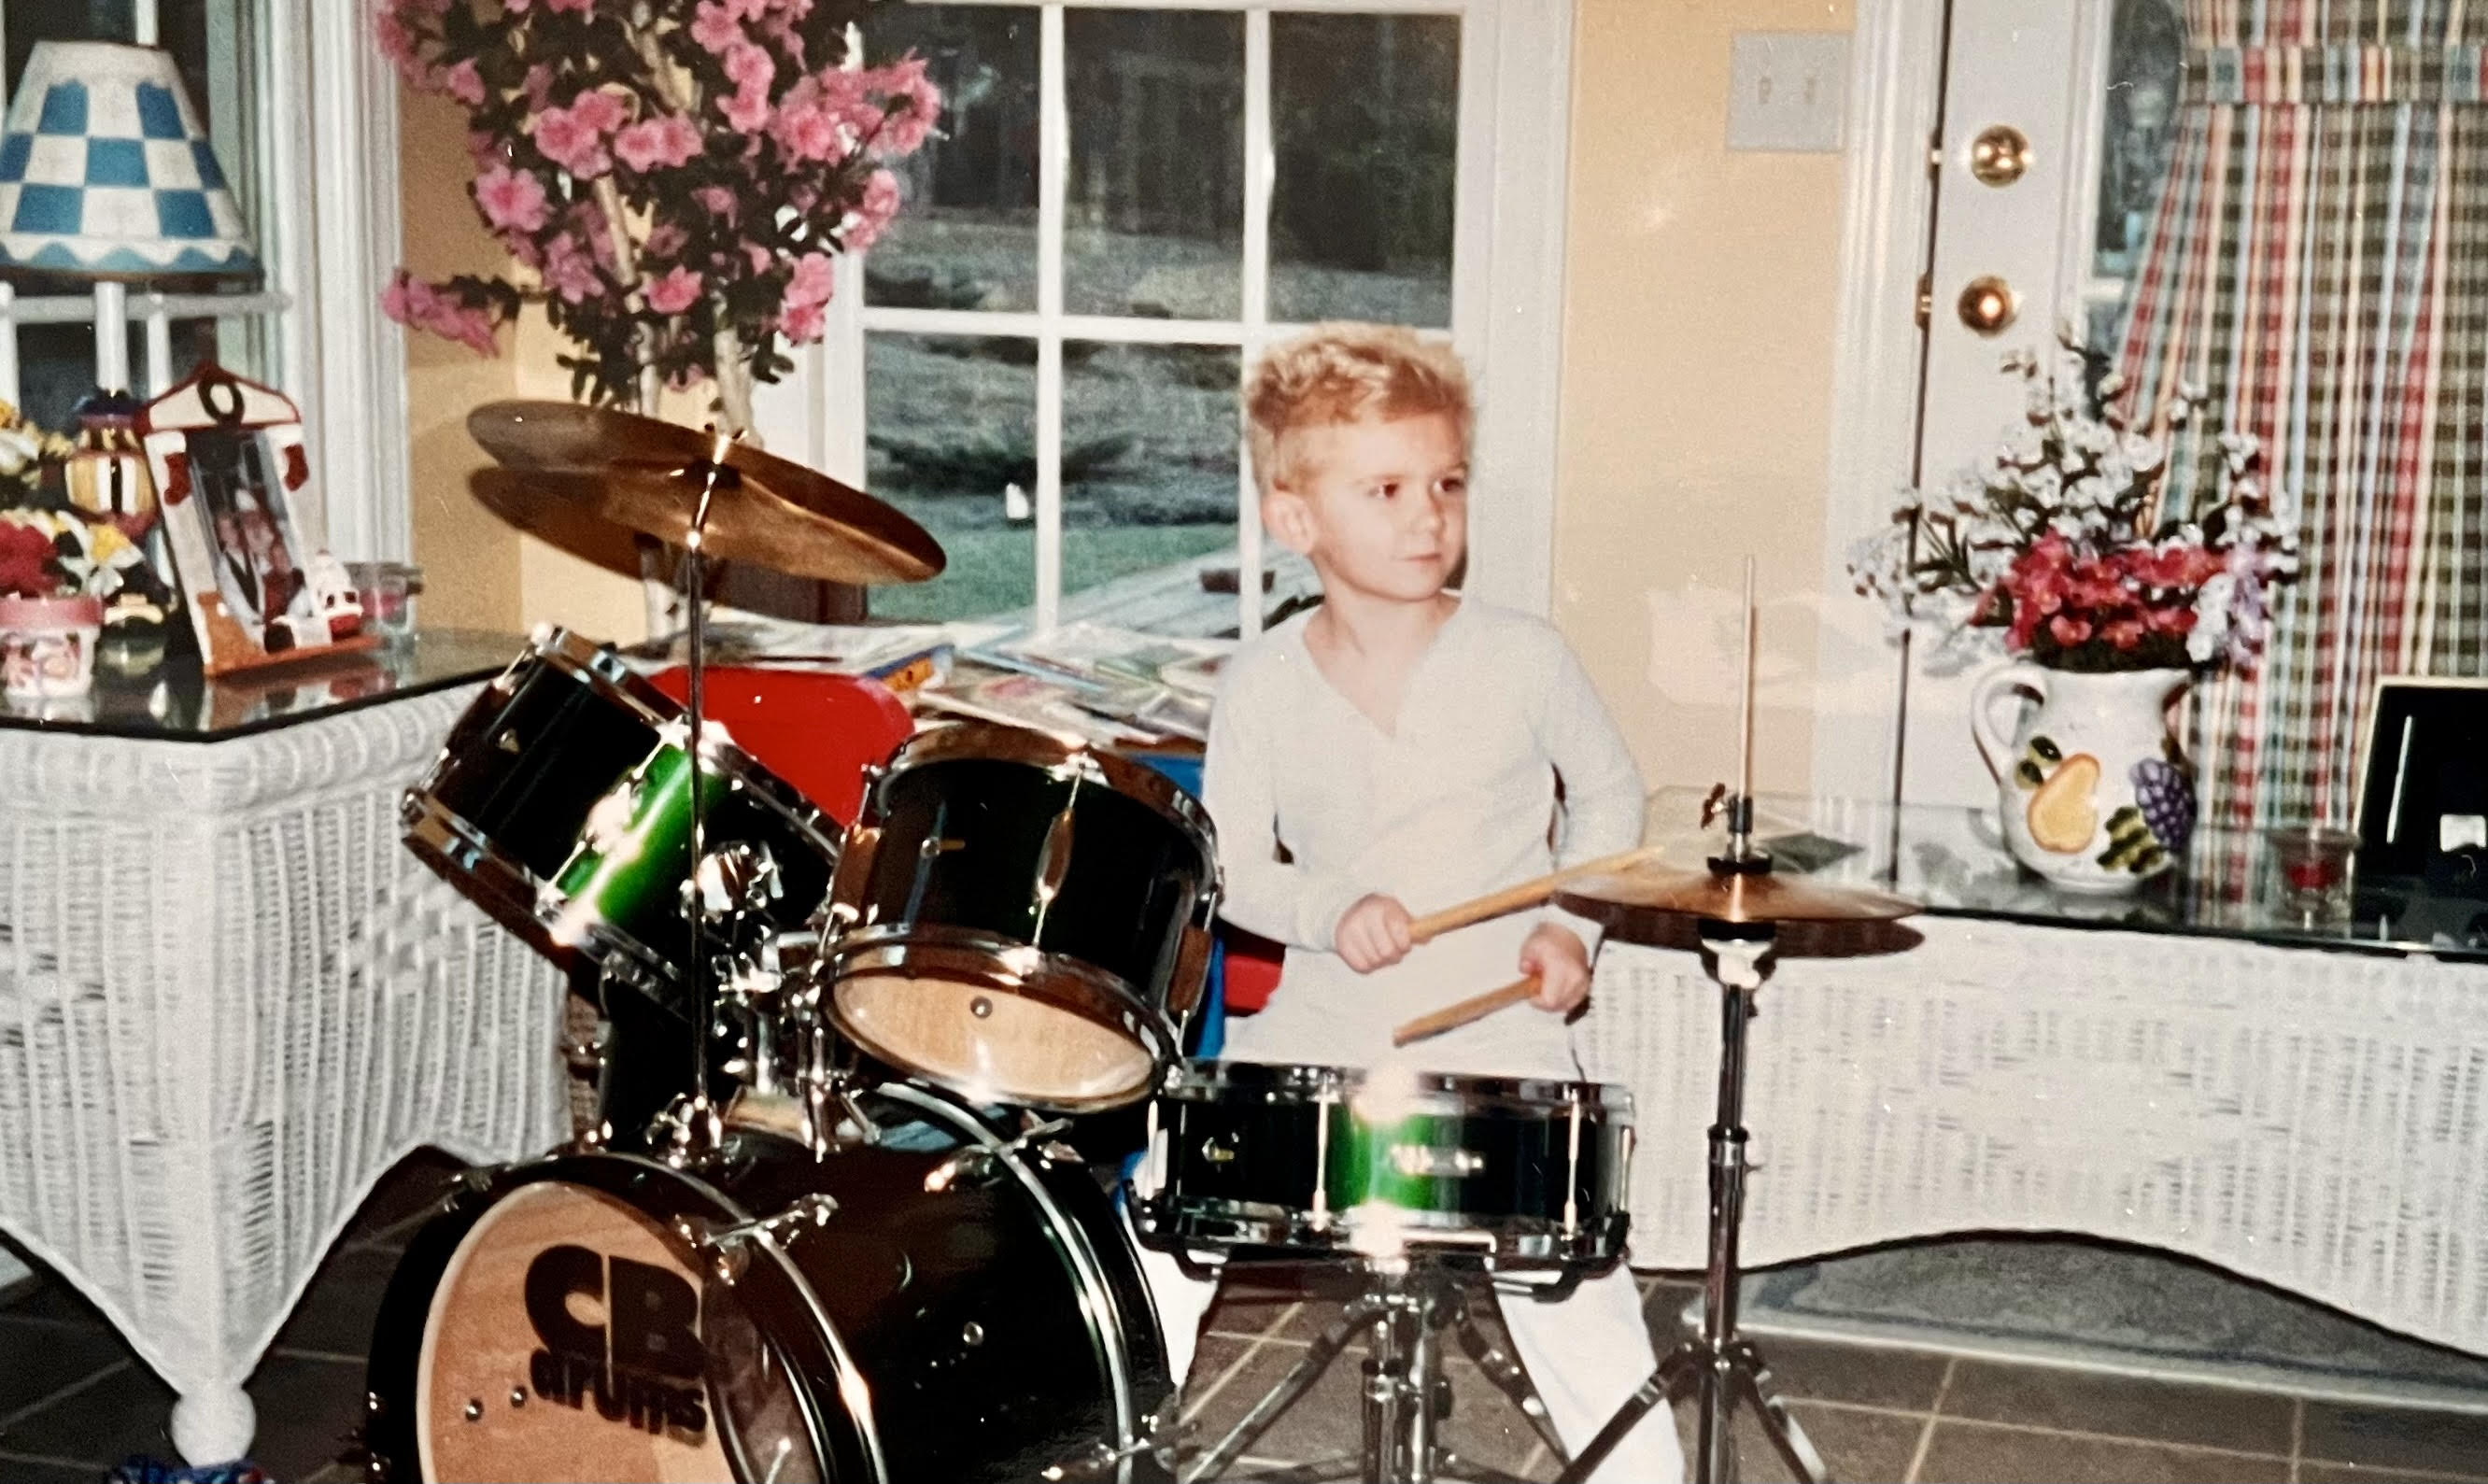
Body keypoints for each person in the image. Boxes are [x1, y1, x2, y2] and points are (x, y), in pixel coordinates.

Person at [1138, 323, 1683, 1481]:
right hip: (1326, 1019)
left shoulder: (1525, 656)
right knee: (1160, 1205)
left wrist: (1568, 927)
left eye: (1444, 482)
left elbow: (1610, 795)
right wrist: (1329, 905)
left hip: (1501, 1024)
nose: (1427, 515)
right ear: (1297, 518)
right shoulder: (1263, 682)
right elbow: (1229, 864)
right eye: (1384, 488)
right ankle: (1103, 1438)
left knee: (1575, 1289)